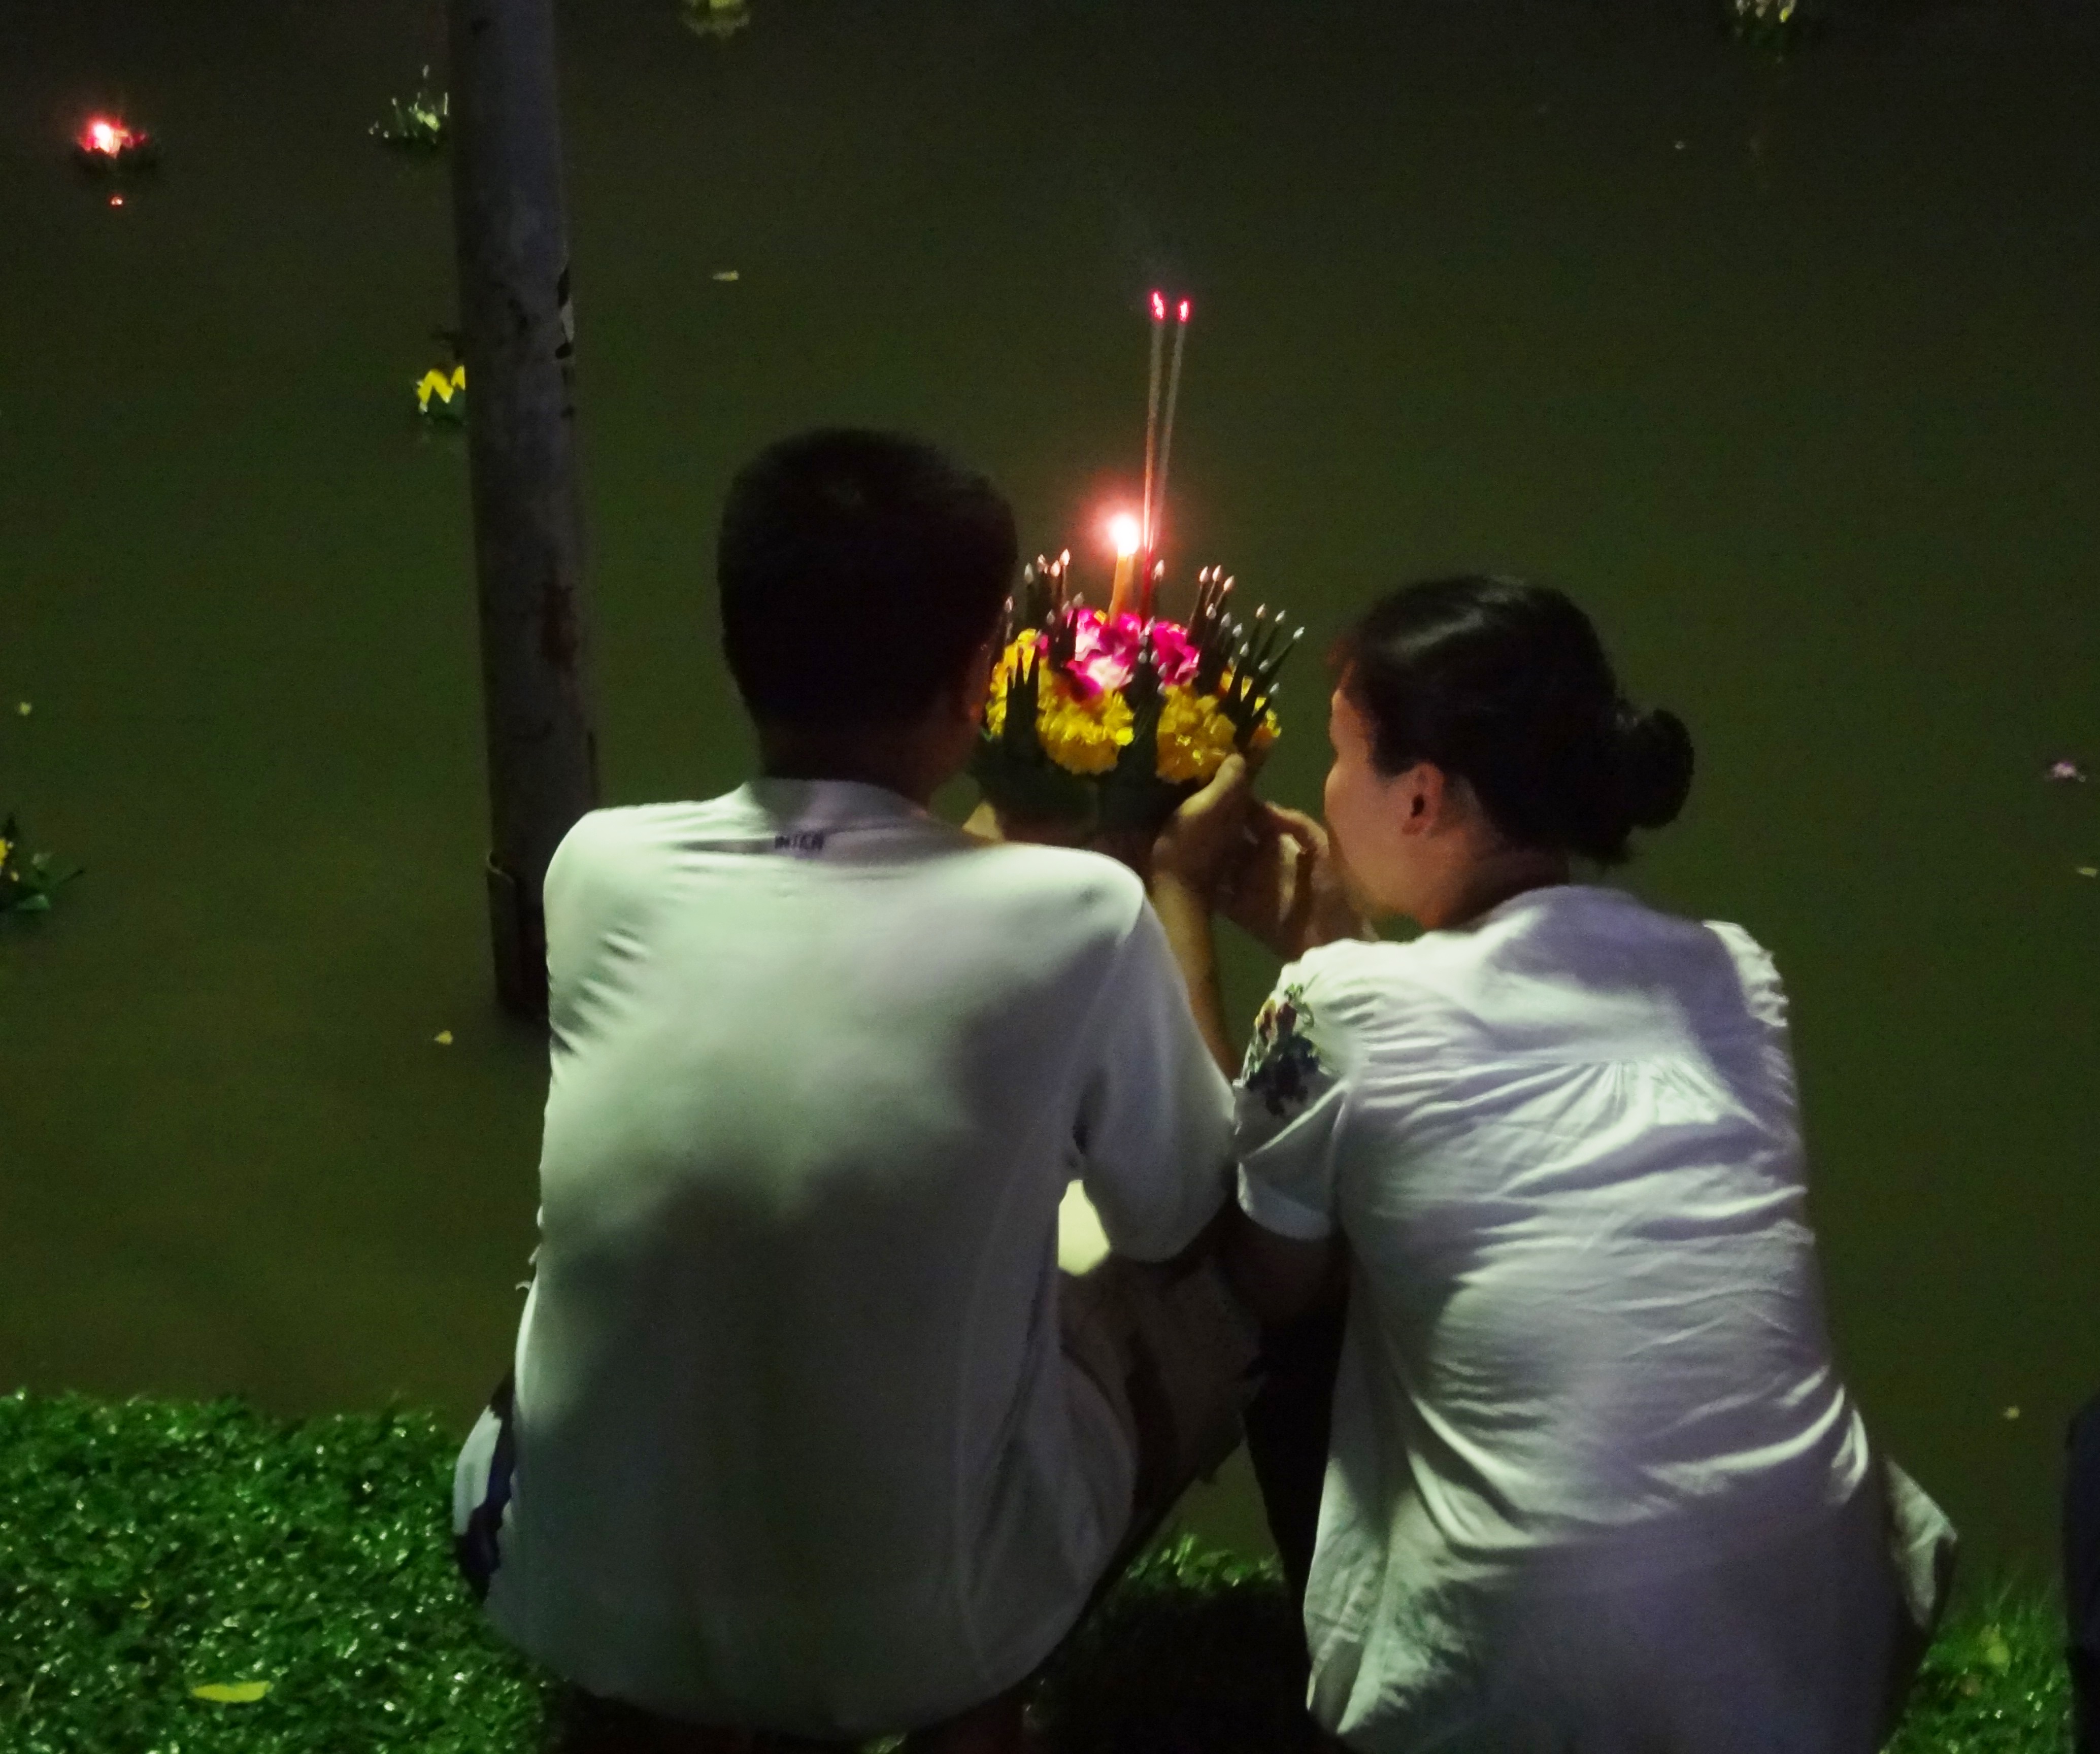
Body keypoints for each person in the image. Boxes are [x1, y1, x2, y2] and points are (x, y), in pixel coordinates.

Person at [450, 429, 1258, 1753]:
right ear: (978, 679)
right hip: (928, 1641)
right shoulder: (1083, 917)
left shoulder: (597, 867)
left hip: (566, 1594)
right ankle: (968, 1705)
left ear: (735, 648)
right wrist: (1171, 881)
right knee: (1189, 1285)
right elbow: (1182, 1218)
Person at [1156, 575, 1956, 1753]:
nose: (1324, 794)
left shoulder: (1343, 1005)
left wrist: (1174, 893)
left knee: (1295, 1304)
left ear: (1420, 796)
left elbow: (1262, 1274)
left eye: (1341, 758)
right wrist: (1340, 950)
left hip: (1541, 1683)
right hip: (1814, 1650)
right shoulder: (1733, 973)